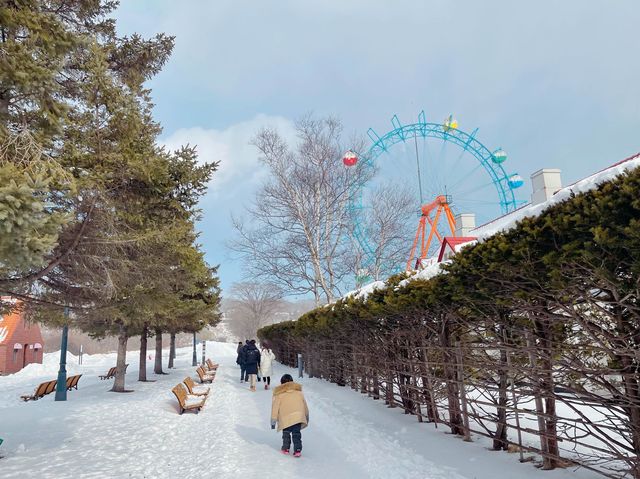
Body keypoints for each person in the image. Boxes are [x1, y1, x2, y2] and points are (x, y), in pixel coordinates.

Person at [271, 374, 309, 457]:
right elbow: (304, 405)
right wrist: (306, 416)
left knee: (286, 434)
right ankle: (298, 450)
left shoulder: (279, 395)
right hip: (297, 417)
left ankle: (285, 448)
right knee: (296, 434)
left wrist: (273, 421)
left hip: (285, 418)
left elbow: (275, 408)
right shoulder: (299, 393)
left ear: (281, 383)